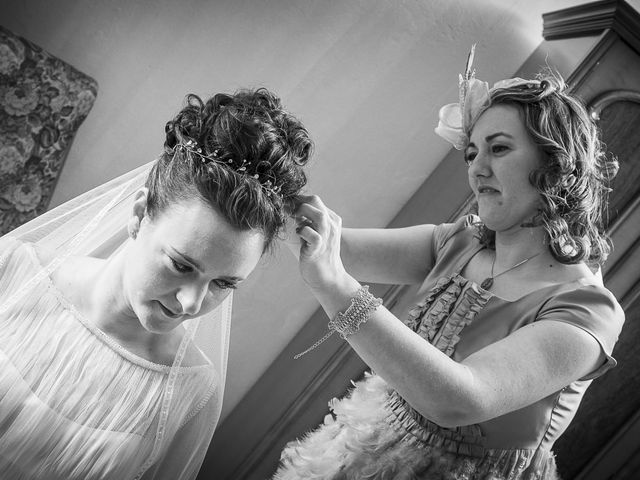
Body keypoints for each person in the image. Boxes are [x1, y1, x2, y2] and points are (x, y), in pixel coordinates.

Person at [276, 53, 624, 479]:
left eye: (499, 149)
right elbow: (331, 247)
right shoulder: (460, 241)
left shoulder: (588, 311)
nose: (477, 169)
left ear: (556, 164)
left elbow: (459, 399)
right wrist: (266, 182)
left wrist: (335, 288)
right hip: (360, 452)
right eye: (472, 153)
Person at [0, 87, 312, 479]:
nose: (192, 303)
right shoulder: (12, 269)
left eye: (223, 284)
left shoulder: (192, 396)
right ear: (138, 214)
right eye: (182, 266)